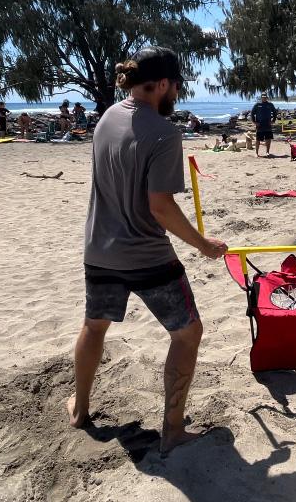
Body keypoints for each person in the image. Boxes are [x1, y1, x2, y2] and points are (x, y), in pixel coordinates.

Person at [68, 46, 227, 456]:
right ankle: (172, 431)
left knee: (94, 326)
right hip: (146, 255)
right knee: (188, 332)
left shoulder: (106, 117)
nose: (176, 92)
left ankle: (80, 409)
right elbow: (160, 206)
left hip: (99, 249)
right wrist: (203, 244)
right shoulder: (164, 132)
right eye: (175, 85)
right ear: (159, 84)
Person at [250, 92, 277, 157]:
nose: (264, 98)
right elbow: (252, 113)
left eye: (265, 97)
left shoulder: (270, 105)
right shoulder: (257, 105)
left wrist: (273, 120)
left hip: (268, 125)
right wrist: (254, 122)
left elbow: (275, 112)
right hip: (260, 125)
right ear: (261, 97)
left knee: (268, 139)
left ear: (266, 97)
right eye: (263, 97)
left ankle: (267, 152)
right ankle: (256, 153)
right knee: (258, 140)